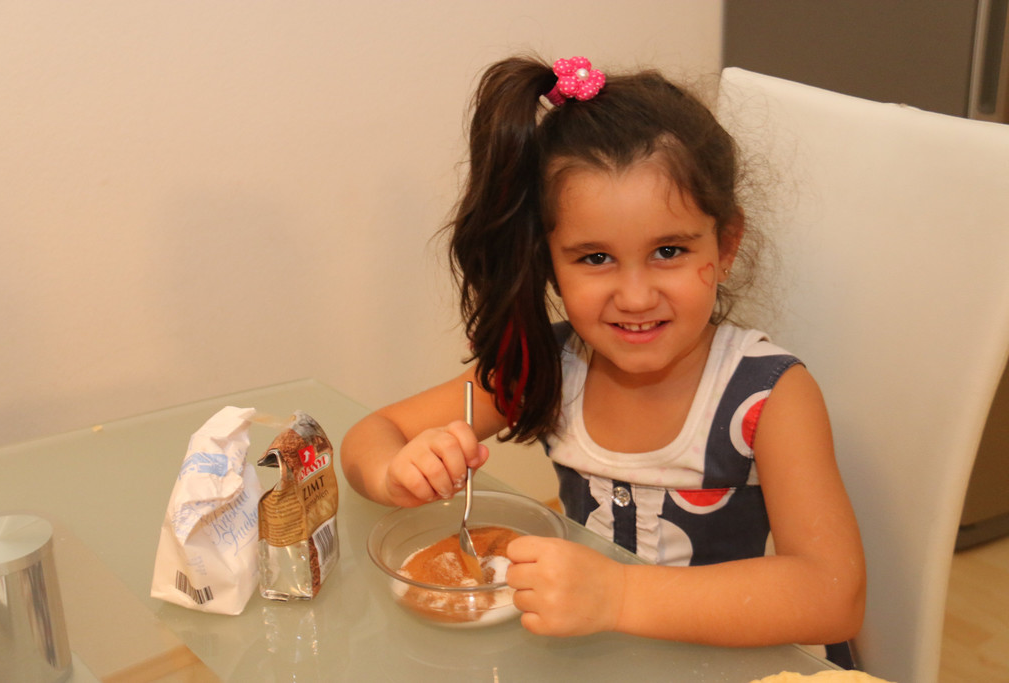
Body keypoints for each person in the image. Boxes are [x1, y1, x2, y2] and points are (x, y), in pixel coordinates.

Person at [340, 55, 865, 665]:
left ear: (725, 247)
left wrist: (617, 596)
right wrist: (396, 472)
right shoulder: (546, 367)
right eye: (595, 258)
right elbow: (370, 434)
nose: (635, 297)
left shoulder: (769, 397)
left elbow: (833, 596)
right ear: (549, 264)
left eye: (669, 251)